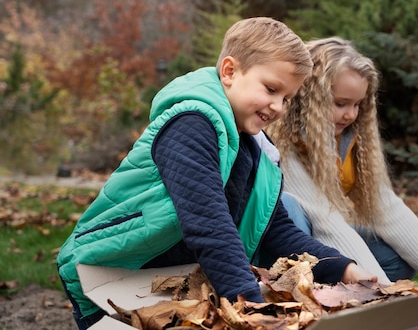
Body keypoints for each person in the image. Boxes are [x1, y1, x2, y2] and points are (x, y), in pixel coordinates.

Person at [57, 19, 377, 330]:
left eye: (287, 98)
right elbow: (209, 226)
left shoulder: (256, 152)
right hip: (109, 275)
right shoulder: (191, 124)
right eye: (270, 89)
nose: (278, 106)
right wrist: (251, 307)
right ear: (229, 72)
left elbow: (279, 232)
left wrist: (345, 269)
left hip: (176, 284)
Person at [266, 36, 418, 288]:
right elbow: (324, 220)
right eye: (341, 103)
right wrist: (382, 291)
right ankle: (308, 292)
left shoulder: (347, 137)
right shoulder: (281, 142)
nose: (351, 114)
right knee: (290, 206)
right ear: (308, 98)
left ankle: (347, 288)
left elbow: (385, 207)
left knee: (397, 259)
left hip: (326, 238)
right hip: (281, 245)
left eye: (357, 104)